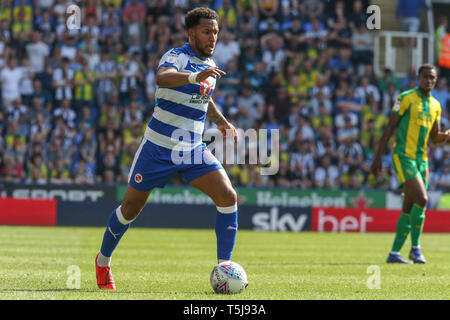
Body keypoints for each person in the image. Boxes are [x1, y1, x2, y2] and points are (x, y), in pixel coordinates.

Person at [95, 7, 239, 290]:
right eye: (207, 32)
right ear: (191, 33)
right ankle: (102, 262)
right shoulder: (176, 56)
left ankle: (225, 269)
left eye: (216, 32)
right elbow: (163, 77)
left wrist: (221, 122)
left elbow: (204, 96)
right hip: (158, 149)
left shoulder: (209, 63)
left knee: (228, 197)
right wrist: (195, 77)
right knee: (129, 210)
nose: (213, 37)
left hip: (192, 150)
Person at [370, 64, 450, 264]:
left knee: (409, 206)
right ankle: (415, 249)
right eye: (425, 77)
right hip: (403, 156)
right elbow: (390, 127)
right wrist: (377, 157)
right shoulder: (405, 98)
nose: (429, 81)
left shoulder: (435, 105)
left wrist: (446, 136)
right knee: (422, 198)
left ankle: (394, 253)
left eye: (432, 78)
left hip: (422, 160)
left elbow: (434, 138)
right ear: (418, 77)